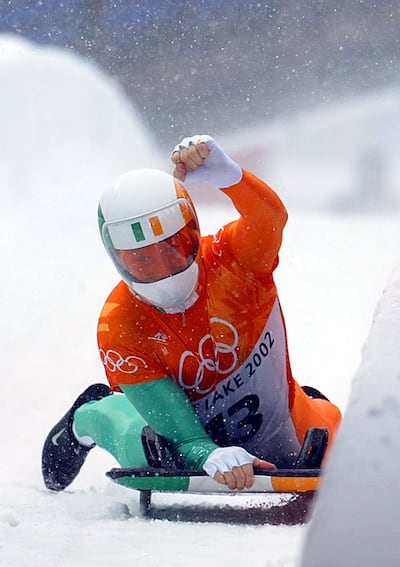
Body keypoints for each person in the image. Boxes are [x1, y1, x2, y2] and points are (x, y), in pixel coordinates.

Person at [42, 135, 341, 492]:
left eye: (173, 246)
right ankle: (90, 412)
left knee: (328, 435)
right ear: (118, 259)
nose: (163, 267)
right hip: (178, 424)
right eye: (142, 259)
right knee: (146, 448)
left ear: (193, 233)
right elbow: (180, 436)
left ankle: (309, 398)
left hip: (277, 417)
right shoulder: (120, 321)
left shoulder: (234, 260)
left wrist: (231, 177)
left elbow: (269, 218)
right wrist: (204, 454)